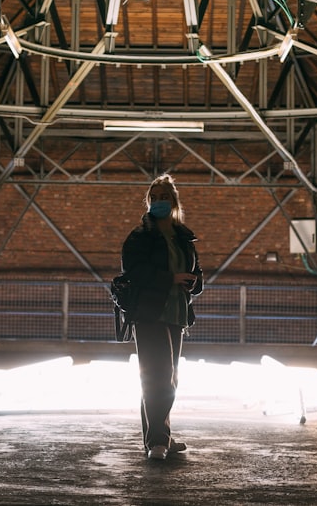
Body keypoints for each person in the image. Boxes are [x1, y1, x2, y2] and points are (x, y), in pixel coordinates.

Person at [120, 173, 204, 461]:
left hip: (176, 312)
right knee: (158, 377)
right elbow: (134, 271)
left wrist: (194, 281)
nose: (158, 202)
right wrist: (171, 278)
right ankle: (157, 442)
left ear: (174, 201)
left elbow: (197, 272)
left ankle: (160, 437)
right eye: (153, 198)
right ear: (148, 202)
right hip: (149, 313)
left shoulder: (183, 237)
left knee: (169, 378)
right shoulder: (140, 235)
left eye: (164, 197)